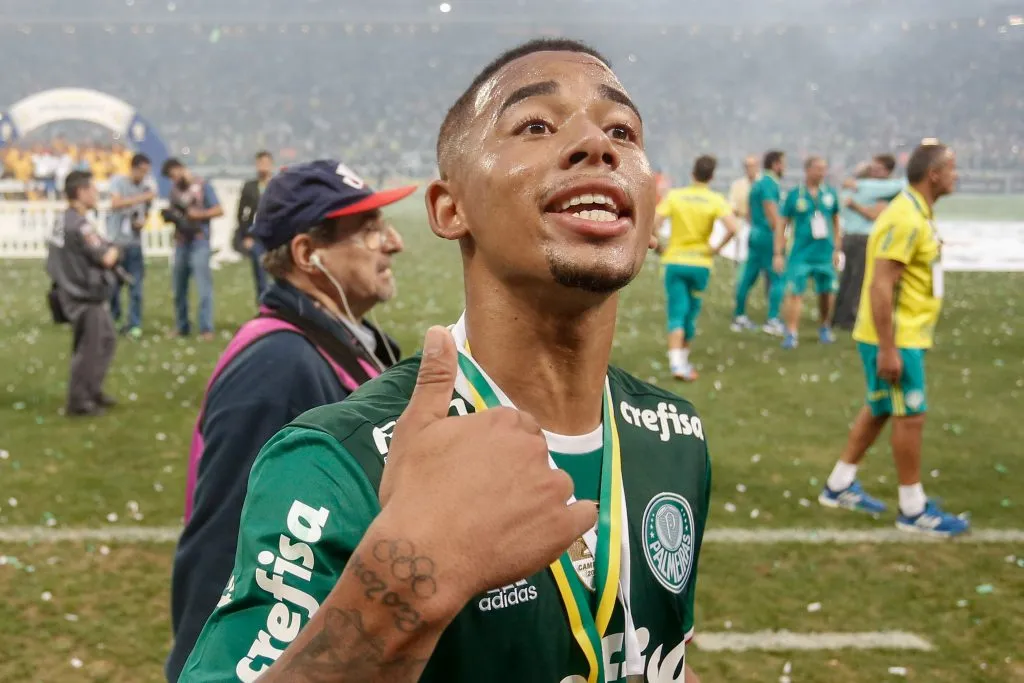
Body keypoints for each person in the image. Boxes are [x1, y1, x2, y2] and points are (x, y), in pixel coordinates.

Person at [179, 38, 709, 683]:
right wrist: (404, 580)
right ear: (450, 208)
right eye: (536, 125)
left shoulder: (674, 433)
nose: (596, 144)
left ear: (650, 214)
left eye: (621, 130)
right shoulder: (335, 460)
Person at [165, 159, 411, 683]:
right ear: (307, 254)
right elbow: (226, 545)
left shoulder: (341, 340)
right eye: (370, 230)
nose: (395, 243)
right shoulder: (278, 365)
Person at [819, 141, 968, 537]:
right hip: (896, 338)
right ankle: (912, 509)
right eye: (951, 168)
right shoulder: (905, 217)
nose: (956, 175)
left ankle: (838, 485)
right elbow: (881, 285)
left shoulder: (916, 212)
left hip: (902, 335)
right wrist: (888, 347)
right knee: (911, 415)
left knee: (881, 407)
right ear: (933, 175)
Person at [656, 154, 739, 380]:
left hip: (675, 260)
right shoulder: (715, 199)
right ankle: (682, 360)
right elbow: (733, 227)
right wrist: (716, 248)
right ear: (711, 177)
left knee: (677, 311)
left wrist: (659, 247)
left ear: (692, 173)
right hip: (700, 263)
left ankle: (676, 364)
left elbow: (653, 223)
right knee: (691, 312)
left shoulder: (675, 196)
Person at [45, 170, 120, 417]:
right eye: (92, 189)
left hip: (69, 289)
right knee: (91, 347)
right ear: (81, 192)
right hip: (84, 293)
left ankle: (92, 389)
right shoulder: (80, 224)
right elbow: (106, 256)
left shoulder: (62, 220)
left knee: (105, 340)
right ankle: (79, 400)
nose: (96, 193)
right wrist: (115, 249)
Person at [833, 154, 904, 330]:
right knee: (859, 279)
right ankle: (848, 318)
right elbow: (875, 215)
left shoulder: (854, 188)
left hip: (849, 236)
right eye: (873, 169)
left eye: (877, 168)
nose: (874, 172)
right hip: (864, 237)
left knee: (848, 277)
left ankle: (838, 315)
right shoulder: (877, 190)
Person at [780, 156, 842, 349]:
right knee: (795, 292)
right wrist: (778, 251)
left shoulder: (830, 194)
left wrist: (837, 249)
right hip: (801, 254)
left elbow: (836, 222)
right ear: (807, 170)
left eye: (824, 168)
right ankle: (791, 332)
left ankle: (825, 327)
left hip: (824, 253)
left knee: (827, 293)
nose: (822, 172)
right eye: (818, 168)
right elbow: (783, 223)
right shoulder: (794, 195)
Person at [161, 158, 224, 341]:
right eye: (170, 177)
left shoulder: (203, 186)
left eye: (174, 175)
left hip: (199, 241)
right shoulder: (174, 191)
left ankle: (206, 327)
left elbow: (219, 210)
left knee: (203, 286)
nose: (173, 179)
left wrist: (199, 215)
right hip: (181, 242)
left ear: (181, 169)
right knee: (179, 287)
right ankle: (182, 326)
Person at [731, 149, 786, 336]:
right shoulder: (769, 184)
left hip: (754, 232)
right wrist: (780, 237)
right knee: (777, 276)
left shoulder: (756, 184)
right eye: (783, 164)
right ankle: (773, 320)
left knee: (748, 275)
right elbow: (772, 214)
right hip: (767, 235)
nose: (785, 168)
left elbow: (749, 213)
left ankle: (739, 316)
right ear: (776, 164)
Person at [108, 153, 157, 338]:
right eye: (142, 171)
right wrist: (142, 197)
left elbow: (146, 213)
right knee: (113, 286)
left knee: (136, 287)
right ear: (133, 168)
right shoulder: (118, 182)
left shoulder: (146, 188)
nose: (144, 175)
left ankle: (134, 324)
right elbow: (115, 203)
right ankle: (113, 320)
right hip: (117, 243)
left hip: (135, 243)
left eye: (147, 172)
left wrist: (142, 222)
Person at [235, 150, 275, 306]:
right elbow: (241, 213)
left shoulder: (278, 184)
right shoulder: (250, 186)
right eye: (260, 163)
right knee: (260, 275)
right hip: (256, 237)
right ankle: (263, 307)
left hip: (275, 236)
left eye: (265, 163)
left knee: (278, 274)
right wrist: (245, 236)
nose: (263, 166)